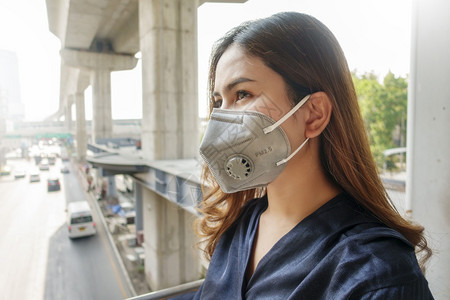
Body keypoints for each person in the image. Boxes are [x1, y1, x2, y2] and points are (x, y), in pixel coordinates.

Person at [188, 12, 432, 299]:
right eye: (218, 102)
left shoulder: (377, 272)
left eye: (242, 93)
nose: (221, 119)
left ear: (314, 114)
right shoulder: (239, 226)